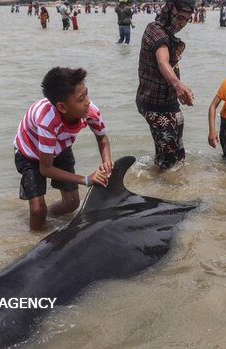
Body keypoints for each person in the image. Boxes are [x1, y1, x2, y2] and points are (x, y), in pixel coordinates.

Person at [14, 67, 113, 231]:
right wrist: (86, 180)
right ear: (62, 107)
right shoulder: (47, 121)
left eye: (86, 94)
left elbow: (102, 138)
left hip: (60, 146)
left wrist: (107, 163)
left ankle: (49, 216)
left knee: (72, 203)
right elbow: (45, 169)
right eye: (81, 99)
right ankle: (37, 238)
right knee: (38, 211)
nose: (88, 101)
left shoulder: (90, 111)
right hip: (30, 153)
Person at [136, 0, 196, 171]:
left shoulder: (168, 34)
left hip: (169, 103)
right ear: (170, 11)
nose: (182, 23)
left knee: (178, 155)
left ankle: (169, 189)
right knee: (168, 159)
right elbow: (163, 62)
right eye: (180, 18)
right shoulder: (156, 32)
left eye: (186, 19)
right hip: (153, 104)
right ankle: (157, 191)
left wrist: (180, 90)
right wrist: (178, 85)